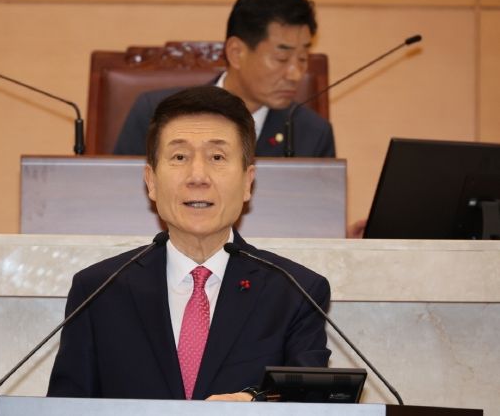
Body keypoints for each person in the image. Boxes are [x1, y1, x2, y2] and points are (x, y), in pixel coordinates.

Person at [48, 87, 331, 401]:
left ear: (247, 182)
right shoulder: (98, 291)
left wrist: (256, 403)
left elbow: (312, 404)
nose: (198, 176)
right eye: (179, 157)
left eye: (217, 157)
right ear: (151, 182)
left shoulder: (295, 292)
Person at [113, 0, 334, 158]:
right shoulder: (156, 114)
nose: (295, 74)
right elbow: (118, 194)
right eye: (281, 58)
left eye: (303, 59)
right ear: (236, 53)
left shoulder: (313, 134)